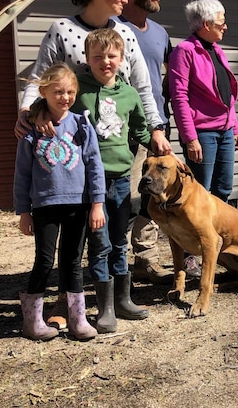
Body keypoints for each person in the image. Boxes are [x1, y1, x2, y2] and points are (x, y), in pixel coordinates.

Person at [14, 0, 172, 327]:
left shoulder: (126, 34)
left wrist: (157, 129)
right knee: (77, 229)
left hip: (119, 150)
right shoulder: (63, 30)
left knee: (115, 227)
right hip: (72, 154)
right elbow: (42, 78)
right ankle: (68, 302)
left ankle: (114, 301)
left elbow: (142, 89)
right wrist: (30, 110)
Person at [14, 63, 104, 341]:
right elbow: (22, 173)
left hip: (78, 205)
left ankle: (78, 320)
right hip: (44, 206)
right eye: (58, 92)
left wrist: (97, 203)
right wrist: (23, 212)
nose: (64, 97)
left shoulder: (81, 124)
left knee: (73, 261)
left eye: (70, 92)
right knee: (43, 260)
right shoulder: (31, 130)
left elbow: (94, 165)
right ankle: (32, 322)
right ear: (44, 91)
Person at [76, 28, 155, 334]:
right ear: (88, 59)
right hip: (89, 181)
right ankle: (105, 307)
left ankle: (123, 299)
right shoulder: (78, 90)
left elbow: (140, 128)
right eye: (98, 56)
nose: (105, 61)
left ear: (122, 58)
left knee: (120, 240)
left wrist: (158, 144)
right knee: (99, 242)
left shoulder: (129, 94)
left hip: (122, 177)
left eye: (111, 56)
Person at [168, 0, 238, 276]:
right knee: (196, 196)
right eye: (221, 20)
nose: (226, 25)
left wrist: (234, 128)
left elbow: (228, 97)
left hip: (224, 130)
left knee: (222, 190)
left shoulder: (216, 50)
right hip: (202, 133)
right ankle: (191, 255)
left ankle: (217, 247)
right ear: (206, 24)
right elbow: (179, 97)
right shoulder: (184, 52)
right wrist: (190, 138)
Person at [115, 0, 174, 284]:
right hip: (122, 129)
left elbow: (168, 76)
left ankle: (145, 259)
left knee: (153, 195)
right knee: (124, 197)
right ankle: (114, 262)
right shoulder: (112, 28)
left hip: (158, 126)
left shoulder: (160, 33)